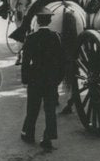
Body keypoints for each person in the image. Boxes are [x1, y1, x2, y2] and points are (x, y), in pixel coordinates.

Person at [20, 11, 66, 151]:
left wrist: (25, 79)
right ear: (50, 21)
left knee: (32, 107)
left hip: (35, 78)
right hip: (51, 79)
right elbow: (61, 61)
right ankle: (48, 138)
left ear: (38, 22)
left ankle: (29, 133)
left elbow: (25, 62)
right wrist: (58, 79)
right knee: (50, 109)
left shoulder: (31, 38)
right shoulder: (55, 37)